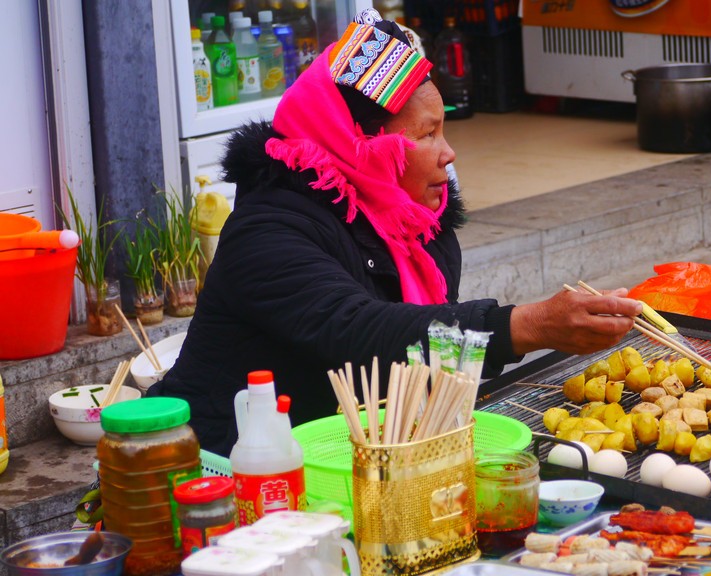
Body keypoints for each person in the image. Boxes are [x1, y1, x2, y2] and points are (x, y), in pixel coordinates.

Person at [150, 11, 641, 456]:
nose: (448, 154)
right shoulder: (268, 230)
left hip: (350, 452)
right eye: (426, 135)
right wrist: (527, 325)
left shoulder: (414, 219)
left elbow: (425, 334)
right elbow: (362, 333)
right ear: (360, 144)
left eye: (442, 131)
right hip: (229, 466)